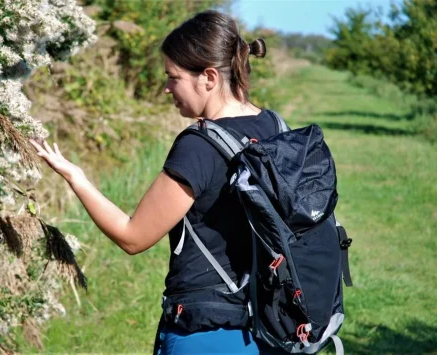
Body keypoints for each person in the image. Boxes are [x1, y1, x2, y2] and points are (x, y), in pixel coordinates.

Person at [31, 10, 286, 355]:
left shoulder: (198, 146)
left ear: (208, 77)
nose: (166, 88)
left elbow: (133, 237)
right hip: (271, 328)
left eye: (173, 77)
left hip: (206, 334)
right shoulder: (275, 128)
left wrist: (76, 178)